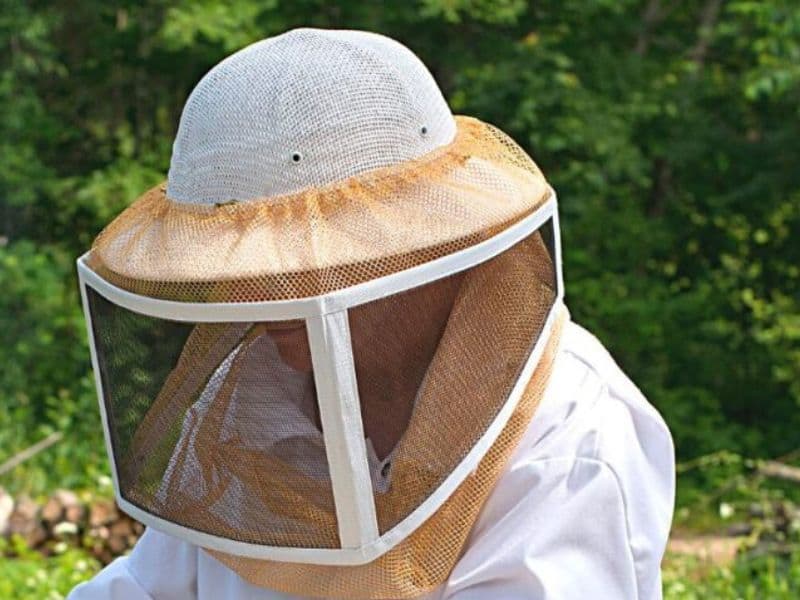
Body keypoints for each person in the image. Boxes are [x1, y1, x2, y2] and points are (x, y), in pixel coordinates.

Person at [70, 27, 674, 600]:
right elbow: (152, 585)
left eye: (309, 256)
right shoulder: (249, 398)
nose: (261, 294)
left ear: (425, 243)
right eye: (245, 264)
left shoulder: (568, 436)